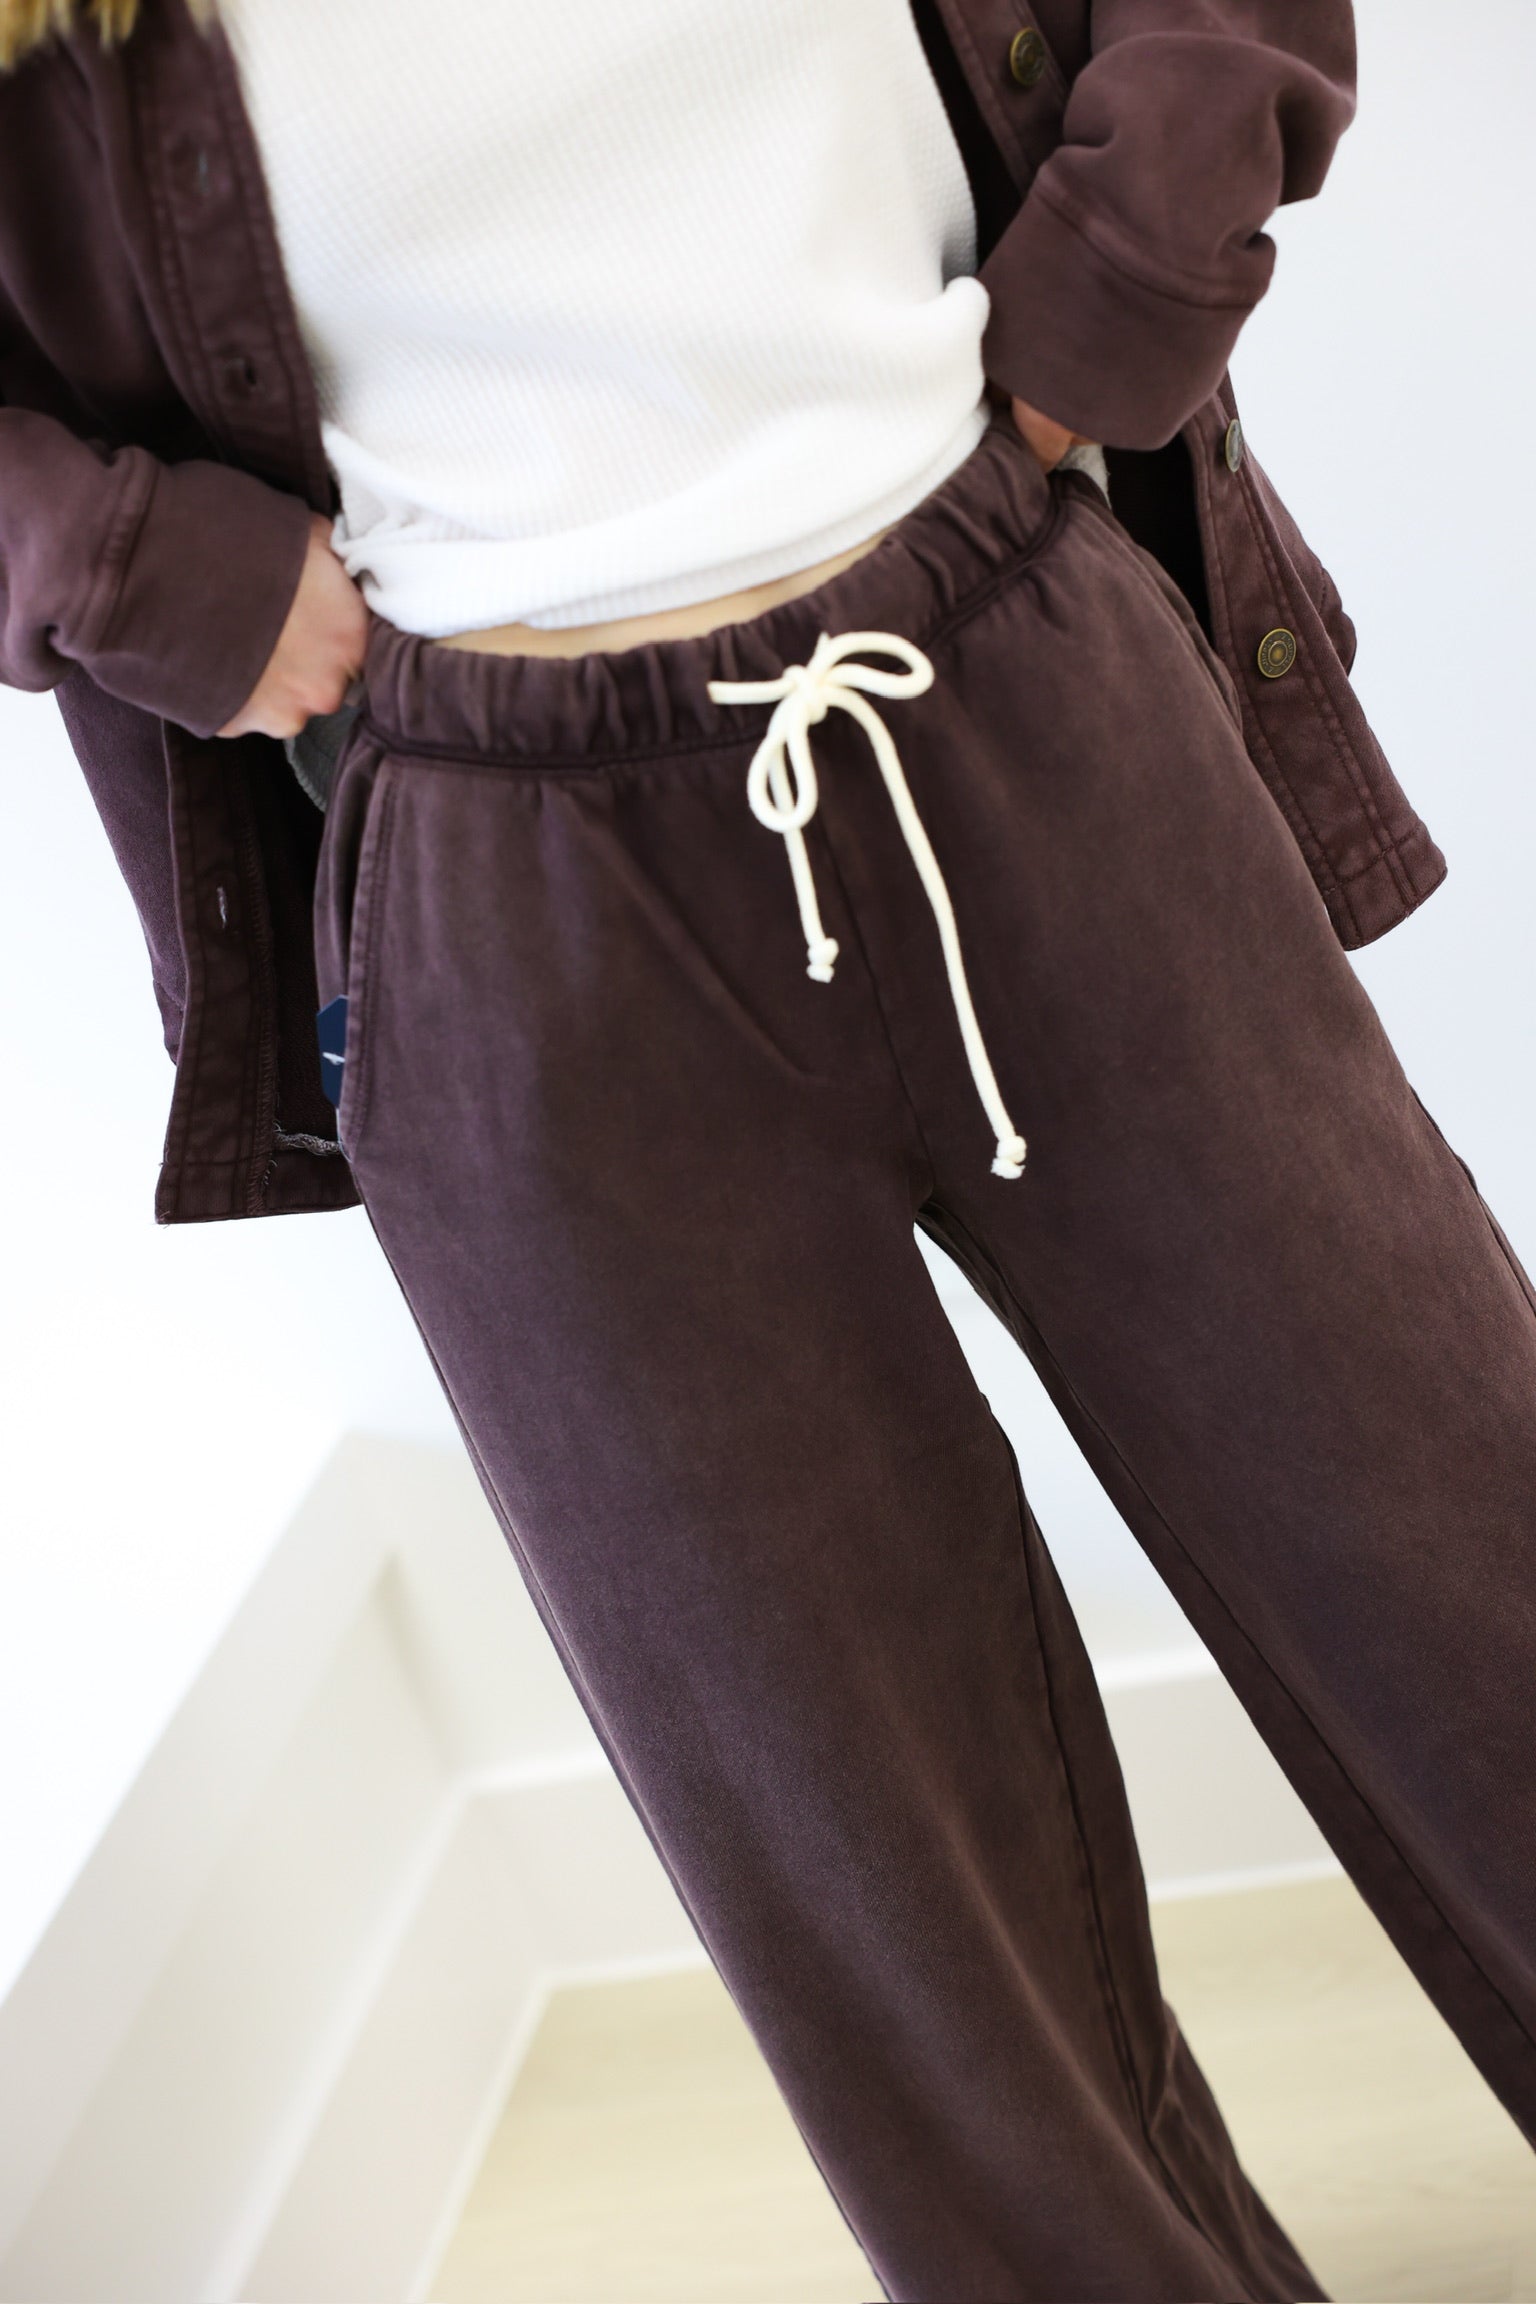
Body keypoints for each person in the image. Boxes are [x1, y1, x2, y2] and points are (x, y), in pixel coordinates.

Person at [2, 3, 1532, 2298]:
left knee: (1473, 1579)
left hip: (1019, 677)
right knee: (909, 1948)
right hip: (514, 913)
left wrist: (1121, 273)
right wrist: (125, 570)